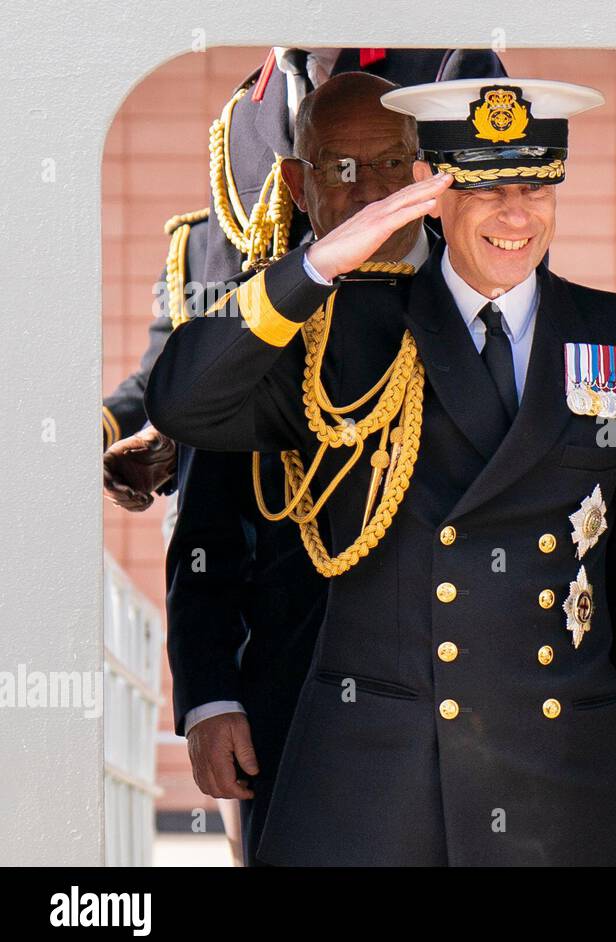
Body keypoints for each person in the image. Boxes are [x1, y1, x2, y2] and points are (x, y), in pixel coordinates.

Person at [145, 74, 616, 866]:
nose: (515, 213)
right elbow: (184, 400)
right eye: (484, 187)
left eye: (536, 185)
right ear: (434, 191)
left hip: (562, 780)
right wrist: (317, 264)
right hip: (372, 784)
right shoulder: (341, 328)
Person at [103, 46, 506, 866]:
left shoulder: (456, 64)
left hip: (464, 679)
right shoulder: (244, 116)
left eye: (391, 165)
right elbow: (206, 433)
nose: (369, 192)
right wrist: (209, 685)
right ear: (300, 180)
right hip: (294, 635)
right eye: (343, 169)